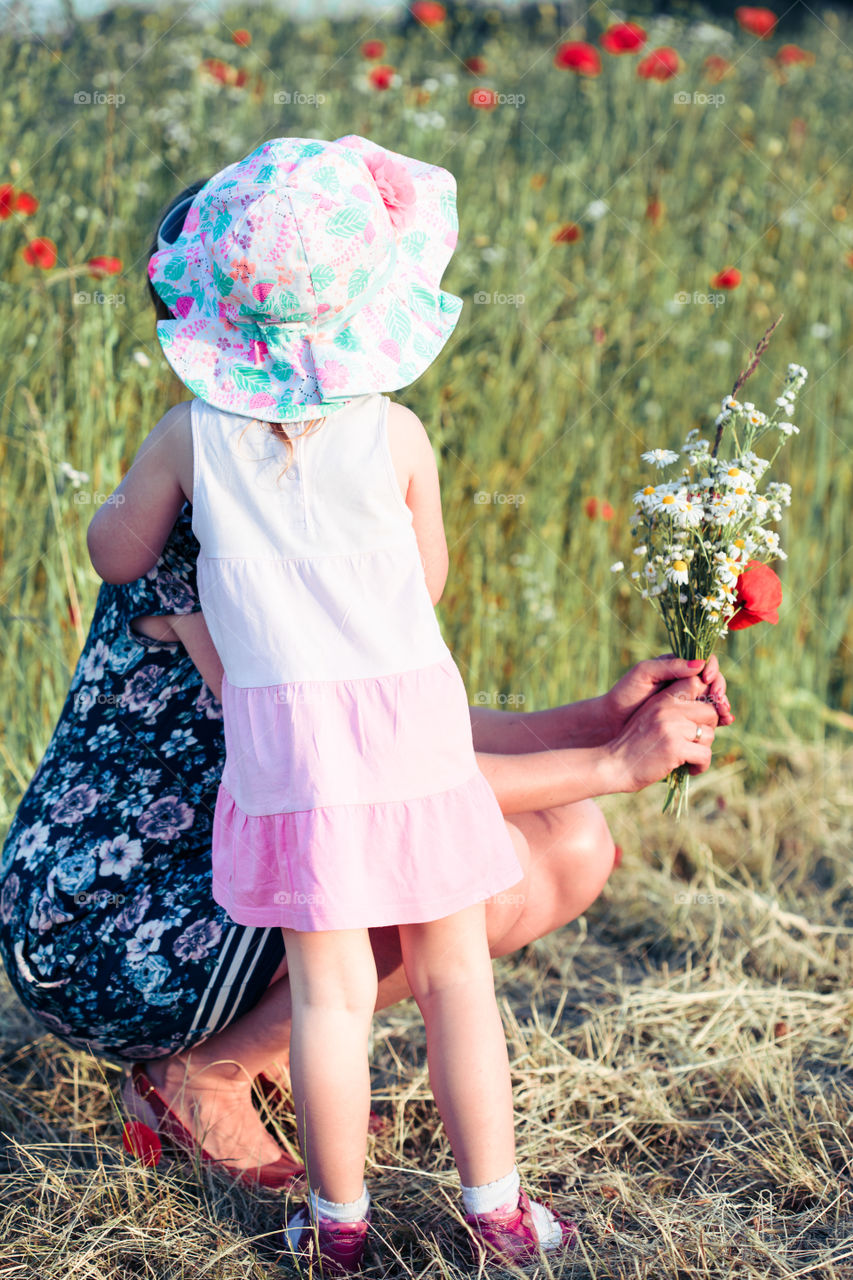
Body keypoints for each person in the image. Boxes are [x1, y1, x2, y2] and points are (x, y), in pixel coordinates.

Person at [82, 134, 732, 1274]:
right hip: (410, 723)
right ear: (365, 305)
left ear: (215, 310)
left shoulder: (191, 437)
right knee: (453, 980)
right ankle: (498, 1206)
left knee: (330, 1002)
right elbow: (422, 582)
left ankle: (335, 1220)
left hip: (292, 750)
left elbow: (119, 550)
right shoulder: (399, 433)